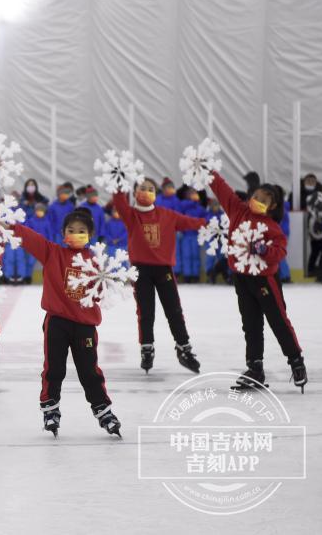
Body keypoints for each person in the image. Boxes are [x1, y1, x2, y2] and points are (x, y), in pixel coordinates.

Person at [12, 208, 122, 438]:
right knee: (54, 368)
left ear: (90, 234)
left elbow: (104, 292)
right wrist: (11, 227)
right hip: (57, 323)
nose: (76, 234)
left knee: (89, 370)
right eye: (71, 230)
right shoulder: (53, 253)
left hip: (85, 326)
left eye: (81, 231)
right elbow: (30, 239)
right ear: (63, 233)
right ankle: (50, 408)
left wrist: (106, 281)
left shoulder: (96, 262)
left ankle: (103, 410)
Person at [207, 171, 307, 392]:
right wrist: (207, 169)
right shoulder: (237, 209)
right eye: (256, 197)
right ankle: (255, 369)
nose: (258, 202)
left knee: (278, 321)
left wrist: (263, 249)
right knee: (251, 325)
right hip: (241, 279)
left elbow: (279, 252)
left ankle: (296, 360)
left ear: (271, 206)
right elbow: (221, 188)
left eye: (264, 201)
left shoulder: (272, 227)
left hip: (264, 281)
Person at [112, 178, 206, 374]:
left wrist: (211, 224)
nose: (146, 192)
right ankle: (147, 348)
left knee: (174, 311)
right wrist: (119, 180)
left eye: (150, 189)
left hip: (164, 270)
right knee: (146, 312)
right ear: (135, 192)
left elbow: (192, 222)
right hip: (141, 270)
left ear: (156, 194)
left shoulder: (167, 215)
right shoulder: (131, 215)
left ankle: (184, 348)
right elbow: (119, 201)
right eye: (142, 189)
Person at [177, 187, 207, 282]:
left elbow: (205, 218)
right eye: (191, 193)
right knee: (186, 255)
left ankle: (195, 275)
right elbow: (178, 217)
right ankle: (187, 275)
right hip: (186, 235)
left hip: (196, 235)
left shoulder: (200, 207)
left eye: (195, 193)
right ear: (187, 195)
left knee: (195, 255)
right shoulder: (182, 206)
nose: (194, 195)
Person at [23, 202, 53, 283]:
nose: (39, 212)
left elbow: (50, 235)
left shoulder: (47, 222)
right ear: (35, 211)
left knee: (47, 262)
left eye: (41, 210)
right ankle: (27, 278)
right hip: (33, 245)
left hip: (43, 246)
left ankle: (49, 278)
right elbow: (27, 232)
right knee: (30, 262)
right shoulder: (31, 221)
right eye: (38, 210)